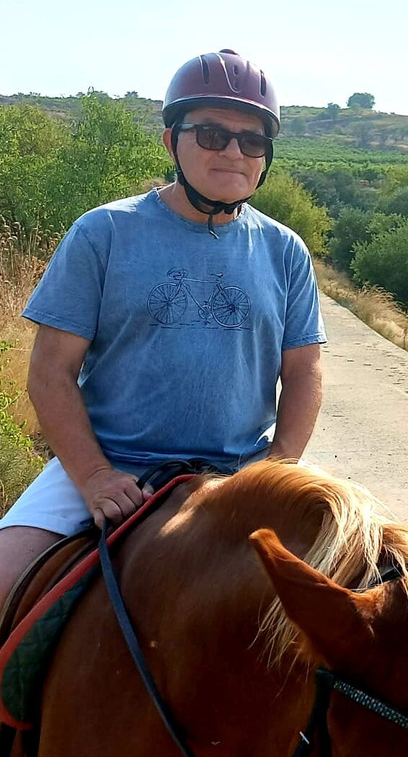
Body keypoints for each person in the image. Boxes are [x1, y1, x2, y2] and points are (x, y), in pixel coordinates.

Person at [0, 50, 326, 611]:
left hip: (239, 471)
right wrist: (95, 477)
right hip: (112, 467)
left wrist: (278, 467)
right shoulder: (103, 233)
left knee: (365, 588)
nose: (234, 152)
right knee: (5, 582)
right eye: (213, 134)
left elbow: (304, 373)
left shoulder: (285, 251)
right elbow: (51, 371)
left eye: (252, 141)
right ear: (172, 140)